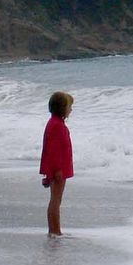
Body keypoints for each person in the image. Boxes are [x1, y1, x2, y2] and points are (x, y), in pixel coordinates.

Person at [40, 91, 74, 236]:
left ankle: (53, 229)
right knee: (55, 200)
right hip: (58, 167)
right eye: (69, 107)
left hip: (58, 166)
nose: (71, 110)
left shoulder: (55, 123)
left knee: (55, 200)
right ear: (62, 108)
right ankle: (55, 230)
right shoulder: (57, 125)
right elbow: (53, 150)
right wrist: (57, 170)